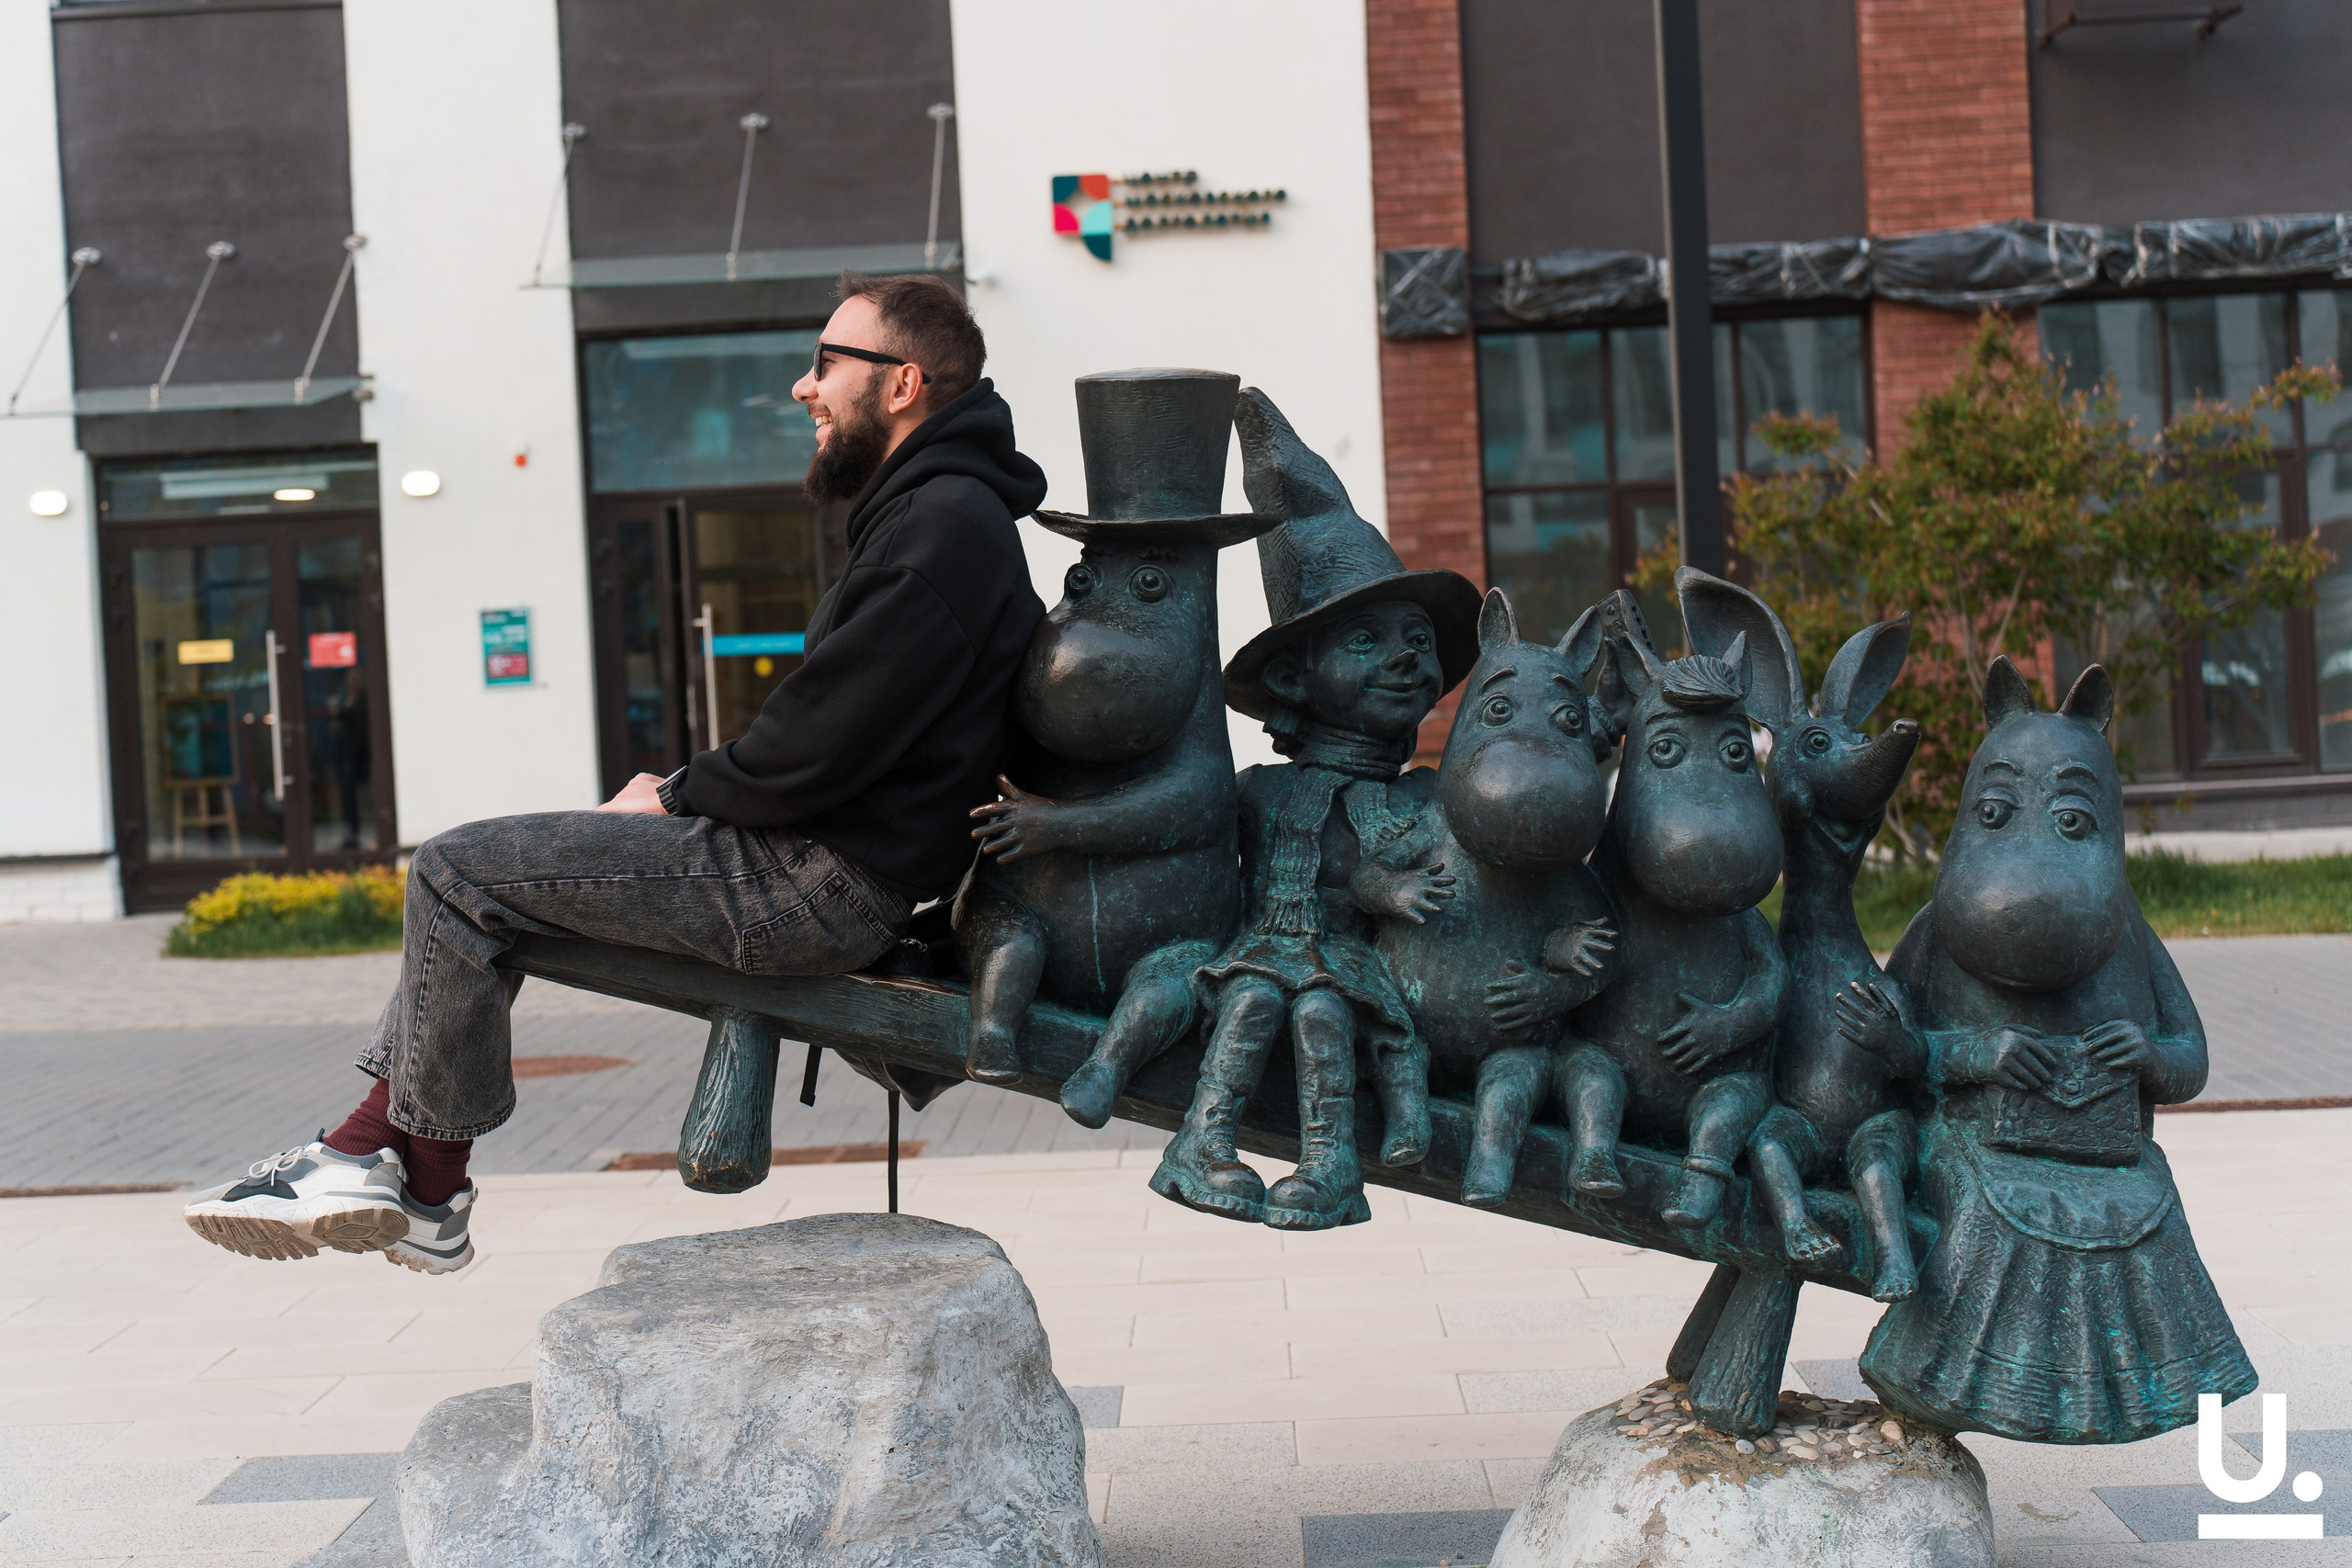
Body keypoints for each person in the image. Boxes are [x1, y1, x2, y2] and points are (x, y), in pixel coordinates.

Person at [184, 272, 1048, 1274]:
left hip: (816, 881)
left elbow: (819, 742)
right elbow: (837, 732)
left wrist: (675, 794)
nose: (802, 387)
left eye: (825, 362)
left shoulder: (941, 526)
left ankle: (414, 1181)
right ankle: (383, 1163)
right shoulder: (938, 516)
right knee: (491, 889)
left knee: (455, 871)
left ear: (901, 384)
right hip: (825, 863)